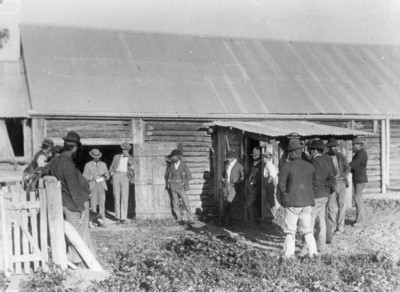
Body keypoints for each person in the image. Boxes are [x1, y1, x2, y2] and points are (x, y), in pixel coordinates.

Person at [49, 131, 94, 265]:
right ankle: (76, 262)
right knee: (78, 234)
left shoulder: (56, 161)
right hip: (74, 204)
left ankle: (87, 259)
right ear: (75, 147)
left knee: (80, 233)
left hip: (67, 202)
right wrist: (82, 209)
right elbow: (74, 189)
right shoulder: (67, 164)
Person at [278, 140, 318, 258]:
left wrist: (286, 195)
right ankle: (314, 253)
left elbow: (281, 184)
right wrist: (307, 193)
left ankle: (289, 254)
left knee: (290, 230)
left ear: (292, 153)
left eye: (289, 152)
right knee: (307, 229)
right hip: (307, 203)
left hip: (292, 203)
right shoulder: (310, 166)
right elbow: (315, 184)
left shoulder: (287, 166)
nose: (288, 155)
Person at [307, 140, 336, 253]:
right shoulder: (326, 160)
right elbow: (332, 179)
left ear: (314, 150)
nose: (309, 152)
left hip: (316, 195)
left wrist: (313, 189)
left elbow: (315, 180)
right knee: (321, 221)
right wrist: (324, 186)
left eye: (310, 150)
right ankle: (321, 246)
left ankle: (309, 247)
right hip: (325, 195)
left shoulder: (315, 162)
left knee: (311, 221)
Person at [326, 137, 350, 237]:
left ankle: (340, 227)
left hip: (341, 183)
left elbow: (348, 167)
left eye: (334, 147)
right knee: (331, 207)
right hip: (331, 184)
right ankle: (331, 227)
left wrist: (343, 176)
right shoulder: (325, 157)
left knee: (341, 205)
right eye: (330, 147)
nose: (332, 148)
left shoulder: (341, 156)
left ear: (337, 147)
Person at [166, 149, 195, 224]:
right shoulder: (172, 165)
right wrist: (169, 182)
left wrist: (183, 183)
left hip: (181, 187)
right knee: (175, 203)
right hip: (173, 187)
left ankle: (191, 219)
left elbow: (189, 176)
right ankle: (179, 219)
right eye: (172, 157)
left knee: (186, 203)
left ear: (177, 157)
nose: (172, 158)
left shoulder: (184, 165)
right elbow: (169, 175)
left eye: (173, 157)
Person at [83, 149, 110, 227]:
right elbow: (84, 175)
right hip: (93, 186)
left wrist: (104, 177)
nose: (96, 159)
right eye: (94, 157)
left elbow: (107, 176)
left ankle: (102, 221)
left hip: (102, 186)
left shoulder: (103, 164)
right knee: (93, 204)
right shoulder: (88, 165)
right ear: (91, 157)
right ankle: (93, 221)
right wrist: (92, 178)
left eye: (98, 157)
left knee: (102, 204)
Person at [110, 142, 135, 224]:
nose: (125, 151)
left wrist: (131, 166)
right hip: (116, 175)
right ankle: (117, 217)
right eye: (124, 149)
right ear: (122, 149)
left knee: (124, 197)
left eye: (126, 150)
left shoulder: (131, 158)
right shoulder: (116, 156)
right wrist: (112, 173)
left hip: (125, 176)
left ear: (129, 150)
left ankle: (123, 217)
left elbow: (134, 169)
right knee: (116, 196)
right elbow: (112, 166)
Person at [219, 149, 244, 226]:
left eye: (229, 158)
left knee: (227, 202)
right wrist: (223, 179)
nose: (228, 159)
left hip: (234, 186)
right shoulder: (227, 165)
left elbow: (243, 177)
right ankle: (226, 222)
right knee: (226, 203)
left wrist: (238, 181)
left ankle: (221, 219)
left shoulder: (239, 166)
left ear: (233, 158)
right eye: (227, 157)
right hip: (226, 185)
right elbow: (224, 175)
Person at [349, 137, 368, 227]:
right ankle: (359, 219)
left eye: (354, 145)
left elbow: (353, 164)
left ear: (359, 145)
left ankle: (361, 221)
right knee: (358, 199)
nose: (353, 146)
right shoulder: (360, 153)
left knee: (358, 199)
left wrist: (345, 167)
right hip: (359, 178)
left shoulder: (361, 153)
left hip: (359, 179)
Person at [246, 147, 263, 224]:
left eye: (256, 156)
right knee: (251, 203)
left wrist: (254, 182)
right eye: (253, 156)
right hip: (251, 186)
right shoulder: (253, 163)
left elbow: (260, 177)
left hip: (257, 187)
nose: (254, 157)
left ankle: (253, 221)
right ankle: (254, 220)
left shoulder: (261, 164)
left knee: (250, 204)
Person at [262, 151, 279, 223]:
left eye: (264, 158)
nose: (263, 159)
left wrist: (267, 183)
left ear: (267, 158)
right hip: (269, 184)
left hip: (270, 184)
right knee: (269, 200)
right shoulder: (268, 164)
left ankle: (274, 217)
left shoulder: (269, 165)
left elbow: (272, 175)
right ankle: (271, 216)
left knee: (270, 201)